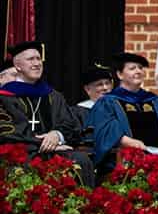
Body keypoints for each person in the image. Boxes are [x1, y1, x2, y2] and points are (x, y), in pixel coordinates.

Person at [0, 41, 94, 187]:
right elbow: (7, 133)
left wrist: (57, 135)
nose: (37, 63)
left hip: (53, 151)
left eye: (38, 59)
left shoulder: (53, 96)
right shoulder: (5, 97)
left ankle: (81, 207)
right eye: (31, 59)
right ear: (18, 66)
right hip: (22, 153)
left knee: (81, 160)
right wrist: (45, 144)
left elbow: (70, 124)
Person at [89, 52, 158, 174]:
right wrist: (126, 141)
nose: (138, 71)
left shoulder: (156, 102)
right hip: (125, 160)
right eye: (132, 68)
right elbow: (105, 128)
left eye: (140, 68)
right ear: (120, 74)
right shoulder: (108, 102)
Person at [69, 62, 115, 145]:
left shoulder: (118, 109)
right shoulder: (77, 112)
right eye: (99, 84)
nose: (105, 88)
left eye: (107, 83)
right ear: (88, 89)